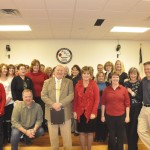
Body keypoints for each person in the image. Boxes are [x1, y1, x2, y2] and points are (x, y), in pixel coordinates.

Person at [41, 65, 74, 150]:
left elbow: (71, 95)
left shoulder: (69, 82)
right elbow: (43, 96)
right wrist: (53, 104)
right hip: (51, 112)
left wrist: (60, 104)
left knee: (67, 137)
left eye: (61, 71)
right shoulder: (47, 82)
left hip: (65, 112)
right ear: (54, 71)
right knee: (53, 137)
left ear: (64, 72)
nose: (59, 72)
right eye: (58, 70)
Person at [101, 71, 130, 150]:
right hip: (109, 116)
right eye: (113, 77)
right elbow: (103, 103)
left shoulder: (123, 89)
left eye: (117, 77)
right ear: (110, 79)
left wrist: (127, 116)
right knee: (111, 136)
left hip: (121, 116)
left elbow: (127, 104)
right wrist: (102, 115)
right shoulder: (106, 90)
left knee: (120, 136)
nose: (115, 78)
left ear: (119, 78)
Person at [73, 66, 99, 150]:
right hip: (80, 113)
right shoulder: (77, 85)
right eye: (84, 73)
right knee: (82, 133)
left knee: (90, 133)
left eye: (88, 73)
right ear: (82, 74)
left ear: (90, 75)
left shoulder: (94, 84)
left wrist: (94, 112)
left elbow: (97, 99)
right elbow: (75, 99)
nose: (86, 75)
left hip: (91, 112)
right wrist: (74, 111)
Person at [26, 59, 48, 130]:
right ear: (32, 66)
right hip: (31, 97)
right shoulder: (27, 75)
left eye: (37, 65)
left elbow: (47, 86)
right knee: (32, 112)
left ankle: (41, 127)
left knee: (41, 112)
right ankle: (32, 127)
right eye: (34, 65)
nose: (36, 67)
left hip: (42, 96)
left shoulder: (44, 75)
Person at [124, 67, 142, 150]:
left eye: (135, 73)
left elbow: (140, 98)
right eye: (131, 73)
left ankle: (133, 148)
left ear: (137, 74)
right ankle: (130, 147)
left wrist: (131, 92)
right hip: (127, 109)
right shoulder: (126, 83)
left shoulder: (140, 83)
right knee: (127, 128)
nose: (133, 75)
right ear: (129, 74)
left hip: (137, 109)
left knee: (133, 130)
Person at [138, 61, 150, 149]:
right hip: (144, 107)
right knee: (140, 130)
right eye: (145, 69)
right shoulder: (143, 80)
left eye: (148, 69)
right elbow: (140, 95)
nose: (146, 71)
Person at [0, 63, 13, 143]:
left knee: (9, 120)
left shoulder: (10, 79)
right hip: (1, 103)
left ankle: (9, 137)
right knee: (2, 121)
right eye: (4, 68)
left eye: (6, 69)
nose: (6, 70)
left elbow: (12, 90)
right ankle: (3, 137)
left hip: (9, 101)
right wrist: (2, 102)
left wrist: (8, 99)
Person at [94, 72, 109, 142]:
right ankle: (97, 137)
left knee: (104, 123)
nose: (100, 77)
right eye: (99, 76)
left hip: (105, 107)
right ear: (97, 77)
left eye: (102, 76)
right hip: (96, 107)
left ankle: (103, 137)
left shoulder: (107, 85)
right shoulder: (94, 85)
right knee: (97, 123)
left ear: (104, 77)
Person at [71, 64, 81, 135]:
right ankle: (73, 129)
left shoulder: (79, 79)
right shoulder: (71, 78)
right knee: (72, 115)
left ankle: (77, 130)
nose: (74, 71)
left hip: (77, 99)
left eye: (76, 70)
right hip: (71, 99)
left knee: (76, 115)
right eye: (73, 69)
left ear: (78, 71)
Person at [0, 83, 6, 150]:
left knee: (0, 131)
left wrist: (1, 111)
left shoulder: (1, 85)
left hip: (0, 112)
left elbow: (3, 99)